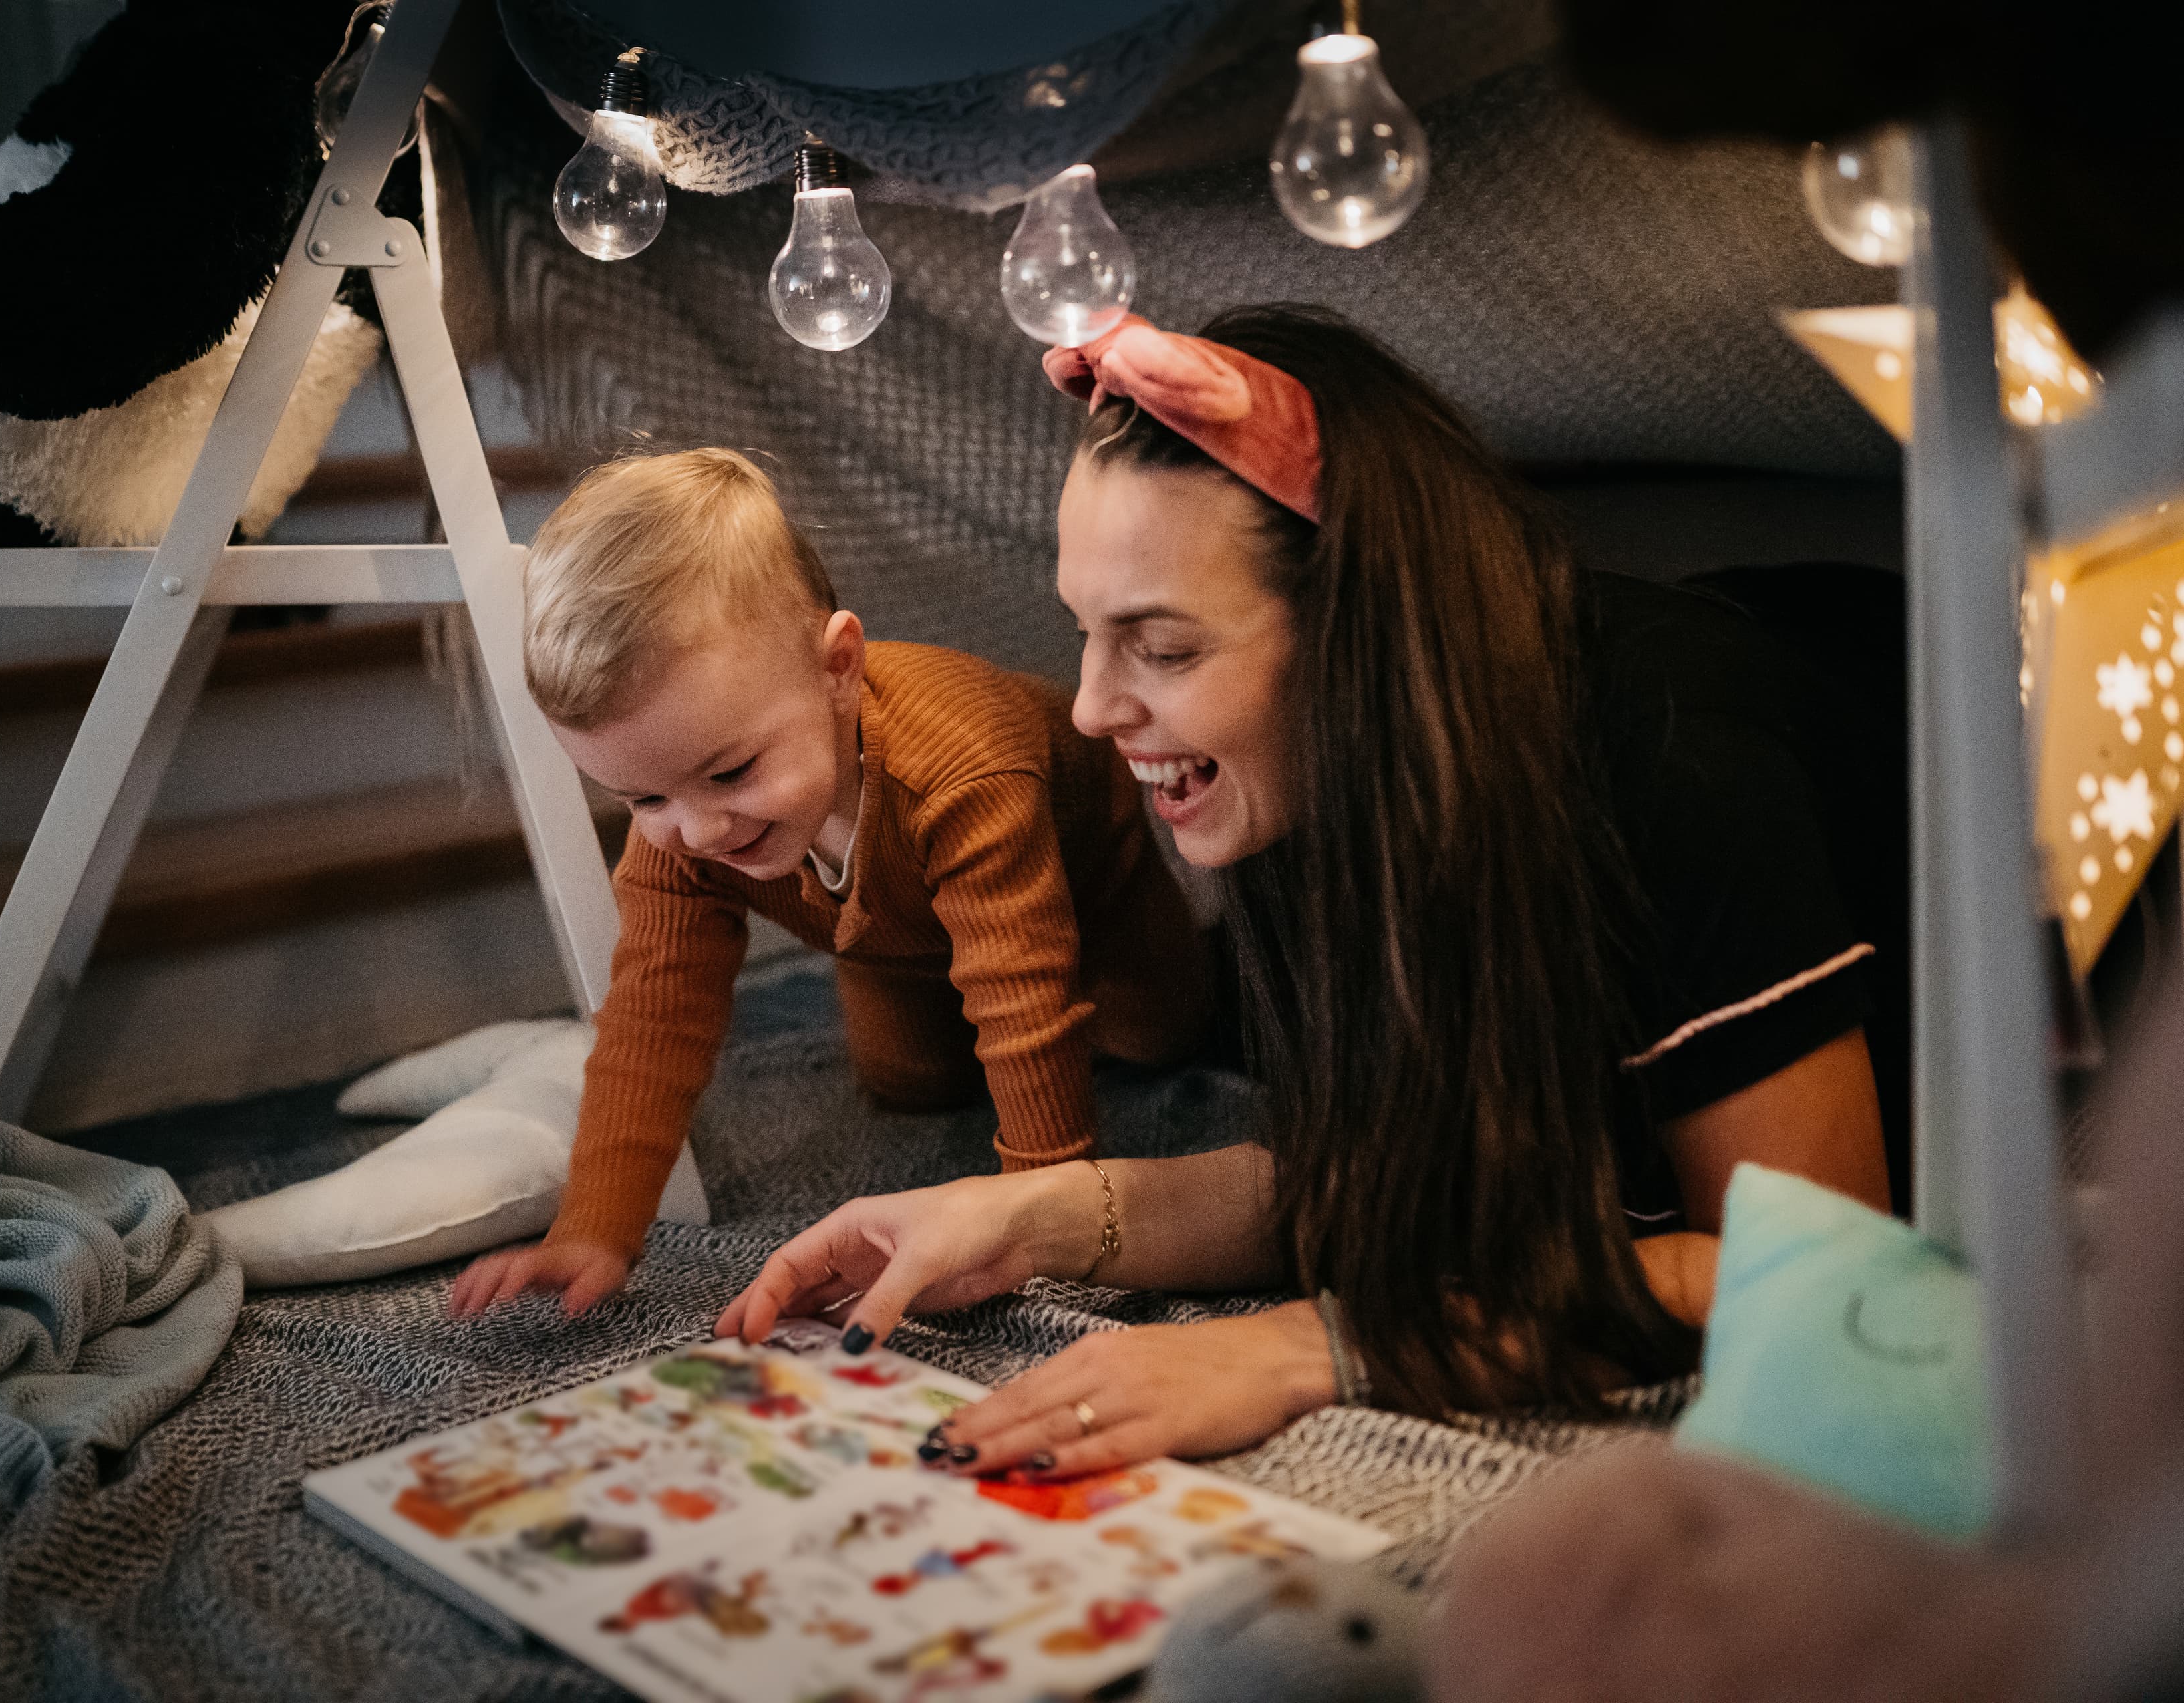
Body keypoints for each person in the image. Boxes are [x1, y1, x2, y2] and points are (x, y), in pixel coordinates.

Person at [716, 304, 1896, 1471]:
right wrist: (1033, 1221)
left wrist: (1309, 1349)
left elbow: (1808, 1275)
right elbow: (1365, 1172)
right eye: (1088, 632)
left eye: (1164, 649)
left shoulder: (1682, 761)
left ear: (1357, 633)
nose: (1089, 709)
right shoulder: (1303, 778)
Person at [450, 448, 1209, 1319]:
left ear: (837, 668)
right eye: (644, 796)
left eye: (731, 773)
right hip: (887, 920)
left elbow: (1023, 1003)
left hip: (1084, 874)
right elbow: (652, 1019)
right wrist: (595, 1229)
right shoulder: (683, 830)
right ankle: (896, 955)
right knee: (909, 1084)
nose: (698, 830)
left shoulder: (965, 772)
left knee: (1161, 1032)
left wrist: (1032, 1222)